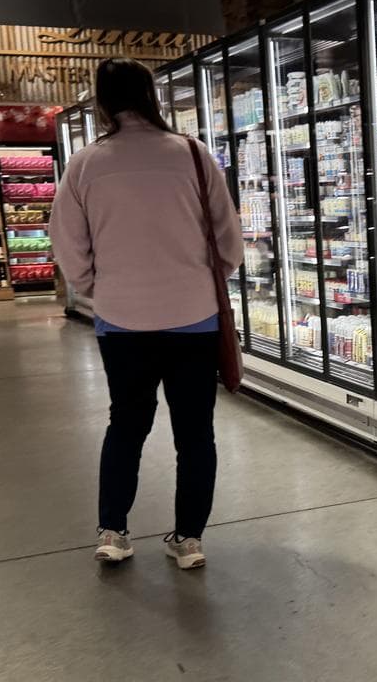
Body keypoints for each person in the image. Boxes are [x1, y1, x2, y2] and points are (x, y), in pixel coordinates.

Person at [50, 57, 244, 570]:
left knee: (127, 424)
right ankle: (189, 540)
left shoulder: (86, 164)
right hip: (194, 316)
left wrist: (99, 288)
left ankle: (113, 531)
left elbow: (68, 246)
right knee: (195, 432)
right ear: (151, 96)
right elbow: (228, 239)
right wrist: (204, 277)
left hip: (122, 320)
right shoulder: (194, 155)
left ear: (103, 102)